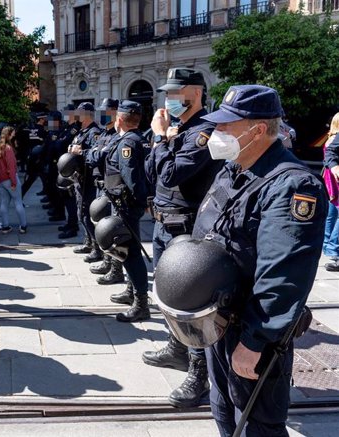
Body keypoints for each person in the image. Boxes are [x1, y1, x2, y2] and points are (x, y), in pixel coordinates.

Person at [192, 84, 327, 436]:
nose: (216, 133)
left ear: (257, 130)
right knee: (224, 412)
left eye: (225, 126)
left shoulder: (292, 186)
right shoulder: (235, 169)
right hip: (217, 321)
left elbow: (283, 277)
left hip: (250, 330)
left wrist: (253, 343)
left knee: (256, 426)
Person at [143, 67, 223, 408]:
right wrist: (161, 138)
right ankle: (176, 348)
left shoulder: (203, 133)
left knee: (190, 302)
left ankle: (198, 373)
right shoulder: (178, 130)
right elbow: (152, 172)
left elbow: (173, 173)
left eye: (175, 93)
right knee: (167, 295)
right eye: (167, 93)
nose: (169, 99)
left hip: (188, 229)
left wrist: (163, 139)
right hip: (164, 226)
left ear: (195, 93)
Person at [100, 101, 150, 323]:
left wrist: (139, 202)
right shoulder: (134, 139)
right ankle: (132, 290)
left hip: (125, 206)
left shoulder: (128, 143)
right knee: (127, 251)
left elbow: (131, 177)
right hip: (124, 204)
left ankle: (141, 304)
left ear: (119, 119)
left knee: (130, 254)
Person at [77, 98, 125, 284]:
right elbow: (92, 156)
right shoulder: (104, 134)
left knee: (111, 230)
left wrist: (89, 153)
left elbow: (97, 155)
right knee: (101, 226)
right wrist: (90, 154)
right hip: (100, 186)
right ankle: (107, 261)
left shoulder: (115, 135)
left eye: (106, 111)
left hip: (110, 188)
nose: (102, 114)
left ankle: (116, 269)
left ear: (115, 112)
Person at [68, 102, 102, 261]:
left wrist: (80, 151)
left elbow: (96, 155)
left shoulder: (94, 133)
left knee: (87, 214)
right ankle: (88, 241)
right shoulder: (81, 131)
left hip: (88, 180)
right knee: (80, 213)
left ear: (88, 113)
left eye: (79, 112)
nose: (76, 114)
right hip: (79, 178)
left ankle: (97, 248)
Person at [0, 126, 27, 234]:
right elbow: (11, 167)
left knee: (4, 202)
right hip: (10, 178)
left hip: (2, 179)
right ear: (9, 134)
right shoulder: (8, 149)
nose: (14, 134)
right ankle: (23, 226)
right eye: (12, 133)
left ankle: (5, 226)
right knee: (18, 201)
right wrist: (14, 182)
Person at [323, 112, 339, 272]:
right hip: (334, 178)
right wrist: (335, 167)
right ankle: (333, 250)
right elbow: (330, 154)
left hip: (332, 179)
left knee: (332, 212)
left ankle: (329, 247)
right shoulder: (334, 138)